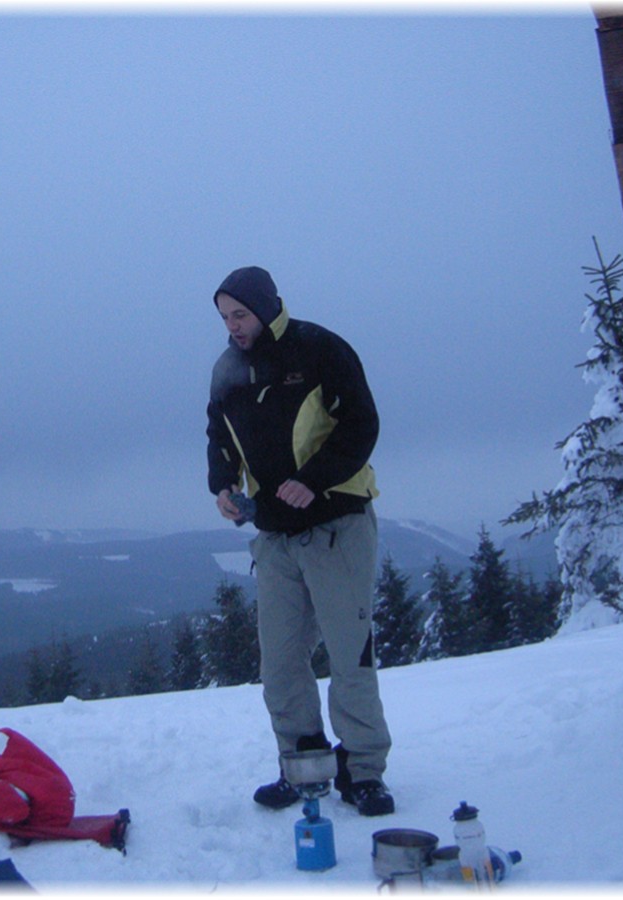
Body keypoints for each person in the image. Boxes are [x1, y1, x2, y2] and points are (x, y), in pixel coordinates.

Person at [206, 265, 395, 817]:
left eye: (239, 314)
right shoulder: (227, 370)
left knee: (348, 654)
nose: (232, 327)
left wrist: (312, 480)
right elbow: (219, 436)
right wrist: (222, 484)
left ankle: (363, 770)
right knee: (282, 662)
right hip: (275, 536)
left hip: (337, 525)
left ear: (266, 307)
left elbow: (361, 424)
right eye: (224, 317)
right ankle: (304, 764)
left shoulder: (320, 349)